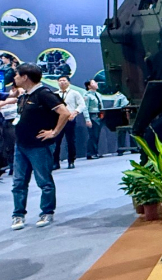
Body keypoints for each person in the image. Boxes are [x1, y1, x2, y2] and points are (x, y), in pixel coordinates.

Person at [10, 63, 69, 230]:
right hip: (21, 145)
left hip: (39, 146)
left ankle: (47, 212)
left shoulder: (44, 94)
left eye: (17, 75)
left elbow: (65, 113)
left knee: (44, 181)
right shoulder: (24, 96)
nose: (14, 78)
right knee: (18, 182)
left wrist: (54, 132)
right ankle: (18, 215)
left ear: (25, 77)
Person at [52, 75, 87, 169]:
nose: (62, 82)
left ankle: (71, 161)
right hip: (58, 121)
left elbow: (82, 105)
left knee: (70, 141)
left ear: (69, 82)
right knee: (56, 142)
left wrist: (75, 113)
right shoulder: (55, 94)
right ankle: (55, 162)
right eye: (60, 80)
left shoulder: (74, 93)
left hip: (70, 120)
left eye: (64, 80)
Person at [83, 80, 104, 160]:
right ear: (89, 86)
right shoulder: (87, 95)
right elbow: (85, 108)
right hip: (92, 115)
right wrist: (87, 119)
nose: (96, 84)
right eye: (93, 83)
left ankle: (95, 152)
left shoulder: (98, 94)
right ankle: (91, 153)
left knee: (97, 135)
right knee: (93, 135)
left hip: (99, 115)